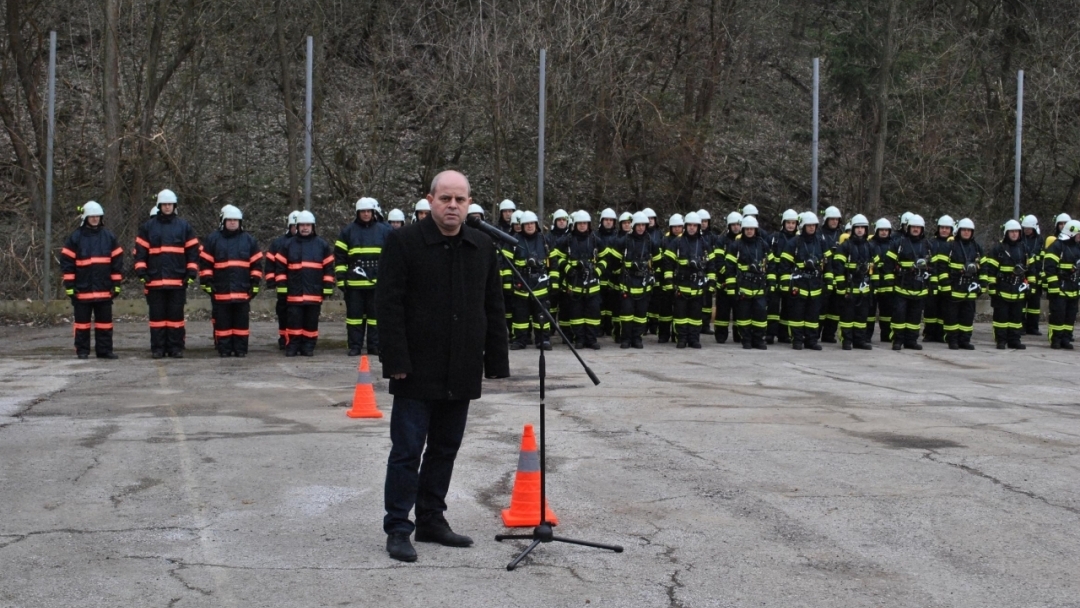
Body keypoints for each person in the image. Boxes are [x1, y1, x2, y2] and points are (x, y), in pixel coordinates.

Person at [377, 169, 509, 563]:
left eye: (460, 200)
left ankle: (432, 518)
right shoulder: (403, 242)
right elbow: (388, 305)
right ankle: (398, 527)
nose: (453, 206)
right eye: (446, 198)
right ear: (430, 200)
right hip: (416, 367)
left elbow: (493, 305)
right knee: (407, 451)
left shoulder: (482, 245)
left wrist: (496, 361)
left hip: (461, 366)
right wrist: (395, 360)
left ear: (469, 204)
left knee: (445, 449)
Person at [134, 189, 199, 359]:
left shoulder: (184, 227)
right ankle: (158, 348)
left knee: (176, 317)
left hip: (177, 281)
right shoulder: (148, 227)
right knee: (157, 318)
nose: (167, 207)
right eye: (164, 204)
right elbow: (140, 253)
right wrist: (141, 272)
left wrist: (191, 272)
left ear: (174, 206)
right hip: (155, 281)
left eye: (170, 204)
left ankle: (175, 348)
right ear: (159, 206)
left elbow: (193, 252)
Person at [61, 202, 123, 359]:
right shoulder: (75, 238)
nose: (95, 219)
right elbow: (67, 264)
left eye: (97, 216)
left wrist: (116, 284)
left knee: (105, 324)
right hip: (82, 290)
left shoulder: (109, 237)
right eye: (92, 216)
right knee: (82, 324)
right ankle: (82, 351)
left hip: (104, 289)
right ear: (85, 218)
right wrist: (70, 285)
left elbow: (116, 263)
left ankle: (105, 350)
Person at [199, 205, 262, 357]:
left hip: (242, 291)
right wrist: (208, 281)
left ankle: (241, 349)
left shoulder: (249, 240)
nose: (233, 222)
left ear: (240, 222)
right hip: (221, 291)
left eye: (236, 220)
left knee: (241, 323)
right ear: (223, 221)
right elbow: (205, 263)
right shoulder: (213, 239)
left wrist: (255, 282)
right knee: (223, 323)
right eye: (230, 220)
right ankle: (224, 349)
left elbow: (256, 264)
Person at [335, 197, 393, 356]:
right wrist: (341, 278)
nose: (366, 214)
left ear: (373, 212)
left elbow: (392, 257)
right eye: (363, 211)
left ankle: (375, 346)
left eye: (368, 211)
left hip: (377, 284)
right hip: (354, 284)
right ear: (357, 213)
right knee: (354, 318)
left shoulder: (385, 231)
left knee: (376, 317)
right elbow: (340, 257)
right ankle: (355, 346)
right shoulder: (348, 232)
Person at [275, 211, 334, 356]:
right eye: (302, 225)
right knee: (293, 322)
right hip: (294, 293)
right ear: (297, 226)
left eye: (308, 225)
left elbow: (328, 268)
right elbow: (280, 267)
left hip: (314, 293)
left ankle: (308, 347)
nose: (305, 228)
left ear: (313, 226)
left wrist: (327, 287)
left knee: (311, 322)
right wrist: (282, 285)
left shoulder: (322, 245)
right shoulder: (288, 244)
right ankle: (292, 346)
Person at [551, 211, 605, 349]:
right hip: (574, 284)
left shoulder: (595, 240)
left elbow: (606, 257)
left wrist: (598, 270)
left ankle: (591, 340)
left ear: (589, 225)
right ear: (574, 225)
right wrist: (568, 268)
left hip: (592, 285)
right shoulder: (567, 240)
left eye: (584, 223)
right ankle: (579, 339)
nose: (582, 226)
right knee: (576, 314)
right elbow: (557, 257)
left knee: (593, 314)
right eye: (579, 223)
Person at [607, 212, 659, 348]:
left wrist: (652, 273)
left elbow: (659, 261)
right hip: (627, 283)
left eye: (643, 225)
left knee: (641, 314)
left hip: (644, 284)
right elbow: (613, 261)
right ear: (633, 226)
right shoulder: (623, 241)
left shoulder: (651, 242)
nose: (641, 228)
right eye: (638, 225)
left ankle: (637, 338)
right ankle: (625, 338)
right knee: (626, 314)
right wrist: (620, 271)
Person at [504, 211, 553, 350]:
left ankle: (543, 340)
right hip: (521, 285)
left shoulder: (544, 240)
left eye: (532, 223)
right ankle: (520, 340)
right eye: (527, 224)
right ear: (522, 226)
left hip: (540, 284)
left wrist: (554, 281)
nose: (530, 226)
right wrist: (507, 282)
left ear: (536, 225)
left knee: (541, 315)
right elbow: (506, 263)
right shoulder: (513, 241)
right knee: (520, 316)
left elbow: (553, 262)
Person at [779, 212, 828, 350]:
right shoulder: (794, 242)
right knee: (797, 314)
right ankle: (797, 340)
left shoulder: (821, 242)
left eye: (814, 225)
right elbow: (785, 265)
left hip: (815, 284)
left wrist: (828, 282)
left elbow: (827, 263)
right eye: (809, 225)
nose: (811, 228)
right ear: (803, 226)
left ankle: (811, 340)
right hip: (799, 284)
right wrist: (785, 285)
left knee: (813, 315)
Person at [882, 214, 931, 351]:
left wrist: (931, 283)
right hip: (901, 287)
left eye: (918, 227)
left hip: (920, 288)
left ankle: (911, 341)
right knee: (899, 315)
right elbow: (888, 264)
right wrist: (890, 281)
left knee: (915, 317)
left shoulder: (927, 245)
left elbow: (933, 265)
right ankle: (897, 340)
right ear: (908, 228)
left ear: (922, 229)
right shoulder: (899, 244)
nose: (915, 229)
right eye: (913, 227)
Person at [725, 215, 770, 349]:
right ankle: (746, 339)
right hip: (743, 286)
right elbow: (730, 268)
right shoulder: (736, 245)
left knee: (760, 315)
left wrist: (771, 283)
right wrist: (732, 287)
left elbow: (771, 264)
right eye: (747, 229)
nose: (749, 231)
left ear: (756, 230)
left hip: (759, 286)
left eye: (752, 229)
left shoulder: (763, 244)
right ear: (743, 230)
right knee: (743, 316)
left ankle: (758, 339)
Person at [666, 212, 710, 348]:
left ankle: (694, 339)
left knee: (696, 315)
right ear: (685, 226)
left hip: (697, 286)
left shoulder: (703, 243)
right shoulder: (677, 242)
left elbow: (711, 264)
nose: (692, 228)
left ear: (698, 227)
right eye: (689, 225)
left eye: (694, 225)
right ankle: (681, 338)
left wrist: (711, 282)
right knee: (680, 315)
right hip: (681, 285)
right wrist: (669, 280)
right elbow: (668, 262)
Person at [938, 218, 982, 350]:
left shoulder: (977, 247)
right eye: (964, 230)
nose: (966, 232)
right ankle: (952, 340)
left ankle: (965, 340)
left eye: (969, 230)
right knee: (951, 317)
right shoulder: (950, 246)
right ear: (959, 231)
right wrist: (946, 286)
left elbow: (984, 267)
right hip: (954, 288)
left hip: (970, 289)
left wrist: (982, 285)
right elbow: (942, 267)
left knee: (967, 317)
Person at [832, 214, 874, 350]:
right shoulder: (845, 246)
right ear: (853, 229)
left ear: (866, 230)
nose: (860, 230)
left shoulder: (869, 246)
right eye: (857, 227)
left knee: (862, 317)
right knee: (847, 316)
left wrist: (872, 285)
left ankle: (859, 340)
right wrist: (842, 288)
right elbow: (838, 269)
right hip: (849, 289)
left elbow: (874, 266)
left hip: (864, 289)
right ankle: (847, 340)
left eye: (862, 227)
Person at [1041, 219, 1080, 349]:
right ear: (1071, 232)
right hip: (1059, 288)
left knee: (1070, 316)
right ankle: (1056, 340)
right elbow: (1049, 268)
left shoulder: (1077, 247)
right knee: (1058, 315)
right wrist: (1054, 287)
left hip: (1073, 288)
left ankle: (1066, 339)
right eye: (1079, 234)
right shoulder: (1057, 246)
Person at [266, 211, 299, 349]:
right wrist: (271, 281)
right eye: (294, 226)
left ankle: (298, 339)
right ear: (289, 226)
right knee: (283, 313)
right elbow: (270, 263)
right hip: (284, 287)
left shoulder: (312, 242)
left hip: (302, 288)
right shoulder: (279, 243)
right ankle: (284, 338)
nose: (297, 228)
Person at [766, 209, 799, 343]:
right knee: (773, 306)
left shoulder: (799, 240)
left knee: (788, 306)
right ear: (783, 223)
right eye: (788, 223)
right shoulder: (774, 238)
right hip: (775, 276)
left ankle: (784, 334)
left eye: (793, 223)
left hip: (791, 278)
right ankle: (770, 334)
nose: (790, 225)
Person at [923, 215, 955, 343]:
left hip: (948, 283)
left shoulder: (954, 244)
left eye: (947, 228)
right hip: (932, 282)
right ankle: (929, 334)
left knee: (944, 310)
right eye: (942, 228)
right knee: (930, 309)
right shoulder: (930, 243)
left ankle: (941, 334)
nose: (944, 230)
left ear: (951, 229)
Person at [654, 214, 684, 344]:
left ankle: (676, 335)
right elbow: (660, 261)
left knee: (679, 311)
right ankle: (663, 335)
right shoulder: (664, 241)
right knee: (664, 311)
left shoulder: (685, 240)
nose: (677, 229)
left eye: (679, 226)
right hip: (665, 281)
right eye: (674, 227)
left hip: (681, 281)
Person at [713, 212, 743, 344]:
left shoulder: (744, 241)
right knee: (722, 310)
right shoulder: (722, 241)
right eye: (733, 225)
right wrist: (727, 274)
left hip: (741, 282)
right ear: (729, 226)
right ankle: (721, 334)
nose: (736, 227)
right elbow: (718, 261)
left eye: (738, 224)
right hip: (724, 282)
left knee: (740, 310)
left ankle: (738, 334)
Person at [818, 206, 844, 342]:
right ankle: (816, 334)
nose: (834, 221)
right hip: (824, 277)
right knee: (821, 308)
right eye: (832, 219)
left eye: (836, 219)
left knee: (835, 309)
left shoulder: (842, 234)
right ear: (826, 220)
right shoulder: (819, 233)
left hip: (839, 275)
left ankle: (829, 335)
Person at [868, 218, 894, 342]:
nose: (884, 232)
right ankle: (867, 336)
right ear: (877, 231)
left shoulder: (893, 244)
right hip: (873, 283)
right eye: (881, 230)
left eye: (886, 230)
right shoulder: (870, 244)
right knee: (870, 312)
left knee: (887, 313)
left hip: (887, 284)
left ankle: (886, 335)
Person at [596, 208, 621, 338]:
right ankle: (600, 327)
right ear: (602, 221)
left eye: (611, 220)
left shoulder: (618, 237)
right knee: (599, 304)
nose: (608, 222)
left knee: (612, 304)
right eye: (606, 220)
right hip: (599, 275)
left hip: (613, 275)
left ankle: (609, 327)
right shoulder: (595, 236)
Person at [1020, 215, 1043, 335]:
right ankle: (1021, 326)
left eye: (1029, 228)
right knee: (1021, 302)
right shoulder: (1020, 238)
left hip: (1036, 274)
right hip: (1023, 274)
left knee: (1034, 303)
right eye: (1025, 228)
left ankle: (1033, 327)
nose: (1026, 230)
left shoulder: (1040, 240)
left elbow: (1043, 256)